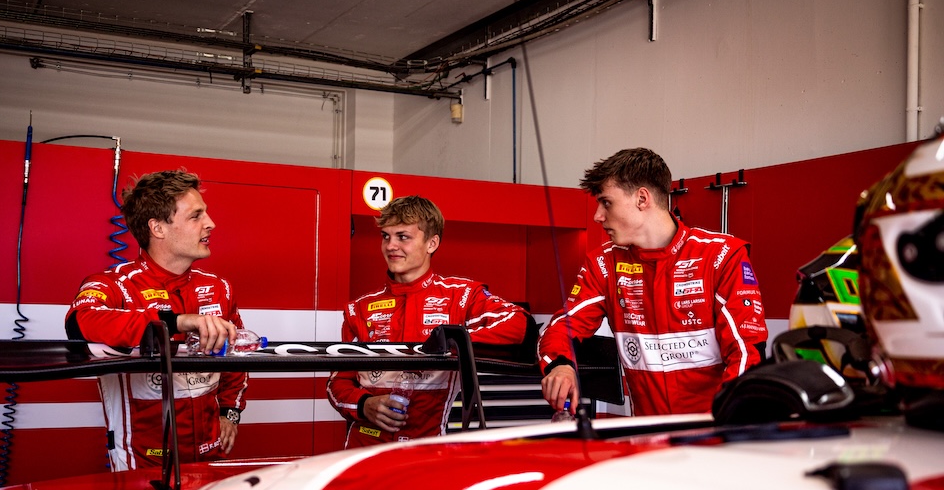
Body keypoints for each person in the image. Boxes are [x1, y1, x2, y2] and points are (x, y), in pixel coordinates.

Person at [538, 148, 768, 416]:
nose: (597, 215)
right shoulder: (604, 264)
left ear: (642, 198)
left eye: (606, 202)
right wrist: (561, 365)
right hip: (647, 431)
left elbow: (747, 352)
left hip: (715, 428)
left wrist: (729, 419)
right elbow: (562, 327)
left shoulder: (721, 256)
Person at [66, 169, 248, 471]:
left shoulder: (219, 288)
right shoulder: (114, 285)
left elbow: (237, 356)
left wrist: (230, 412)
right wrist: (176, 322)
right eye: (196, 216)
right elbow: (80, 323)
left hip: (210, 456)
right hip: (142, 463)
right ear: (158, 228)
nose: (210, 223)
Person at [327, 195, 534, 448]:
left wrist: (453, 342)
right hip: (364, 448)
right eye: (385, 236)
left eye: (403, 237)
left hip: (428, 448)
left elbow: (519, 323)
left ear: (431, 243)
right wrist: (364, 404)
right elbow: (337, 383)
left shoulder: (461, 295)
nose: (391, 246)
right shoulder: (359, 309)